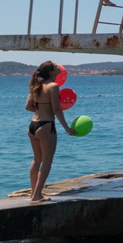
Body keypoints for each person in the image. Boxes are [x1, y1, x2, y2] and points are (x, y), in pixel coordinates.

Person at [25, 60, 76, 203]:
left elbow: (28, 106)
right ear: (51, 72)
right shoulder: (53, 86)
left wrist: (40, 110)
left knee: (36, 160)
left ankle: (34, 193)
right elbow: (57, 110)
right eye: (54, 67)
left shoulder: (36, 85)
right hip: (46, 126)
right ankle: (36, 195)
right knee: (47, 161)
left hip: (33, 125)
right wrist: (67, 128)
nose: (58, 67)